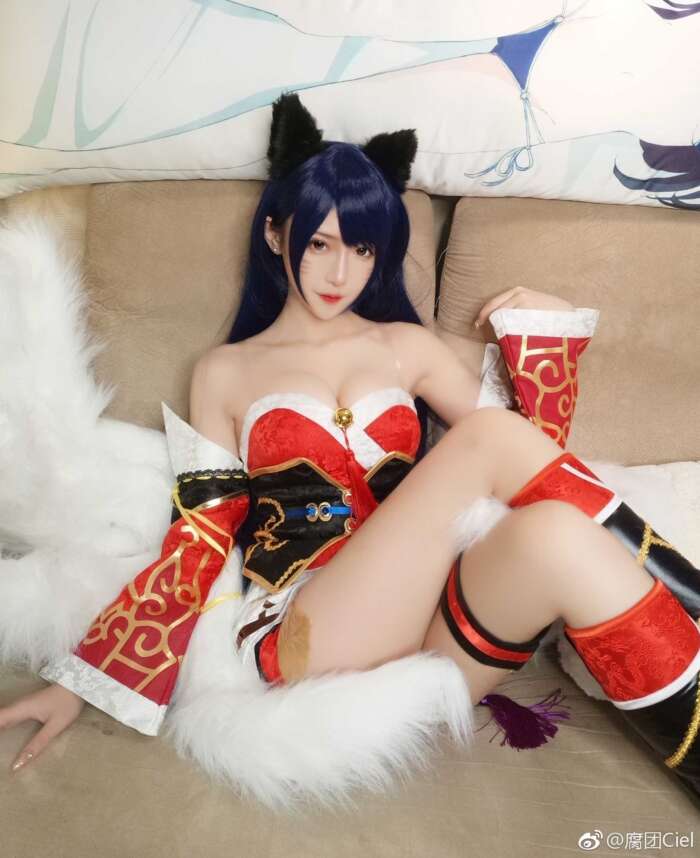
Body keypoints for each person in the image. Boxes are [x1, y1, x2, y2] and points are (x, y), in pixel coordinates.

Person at [2, 93, 699, 799]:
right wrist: (86, 680)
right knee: (486, 436)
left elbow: (536, 461)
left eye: (361, 249)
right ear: (276, 235)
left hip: (434, 633)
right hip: (307, 632)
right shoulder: (225, 371)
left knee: (558, 533)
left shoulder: (407, 347)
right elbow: (202, 534)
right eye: (321, 244)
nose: (341, 274)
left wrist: (547, 335)